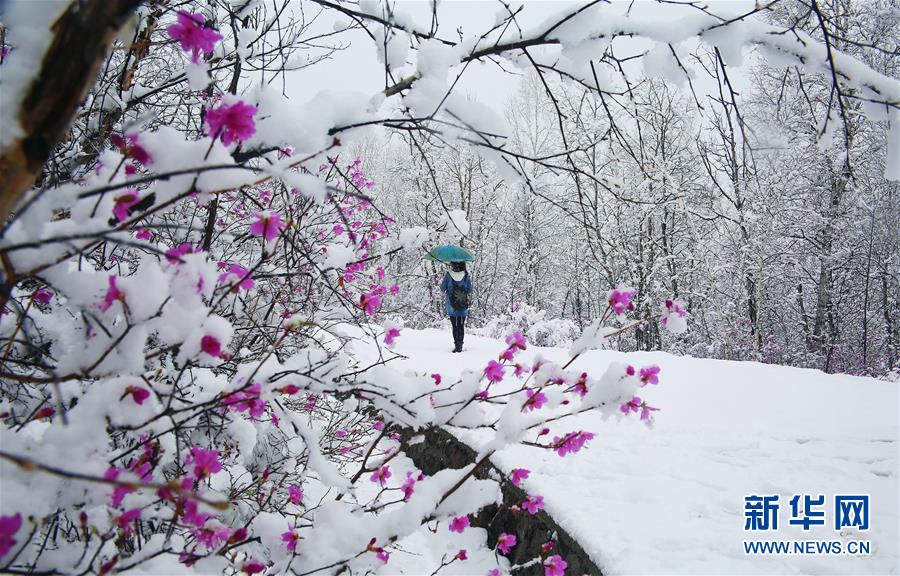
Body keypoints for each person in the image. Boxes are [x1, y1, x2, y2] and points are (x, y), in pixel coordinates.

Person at [440, 261, 472, 353]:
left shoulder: (448, 275)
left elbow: (442, 288)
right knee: (461, 325)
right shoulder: (466, 275)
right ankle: (460, 345)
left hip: (451, 305)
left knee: (455, 325)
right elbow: (470, 290)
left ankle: (456, 345)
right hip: (462, 304)